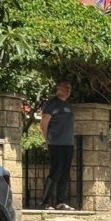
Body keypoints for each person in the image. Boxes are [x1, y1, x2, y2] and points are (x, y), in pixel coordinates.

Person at [40, 80, 76, 210]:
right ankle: (45, 202)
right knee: (55, 172)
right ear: (58, 88)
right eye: (65, 87)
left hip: (68, 144)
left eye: (69, 88)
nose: (67, 90)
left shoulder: (68, 105)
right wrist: (47, 139)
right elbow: (44, 124)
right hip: (56, 143)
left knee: (65, 173)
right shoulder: (51, 104)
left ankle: (60, 202)